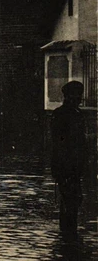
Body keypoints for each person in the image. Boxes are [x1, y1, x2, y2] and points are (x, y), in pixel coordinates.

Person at [51, 81, 86, 236]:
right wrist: (58, 169)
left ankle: (68, 236)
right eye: (75, 95)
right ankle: (67, 235)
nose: (78, 98)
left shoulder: (78, 114)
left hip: (76, 166)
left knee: (75, 199)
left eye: (79, 95)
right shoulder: (60, 114)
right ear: (67, 96)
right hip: (65, 166)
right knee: (69, 199)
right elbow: (57, 143)